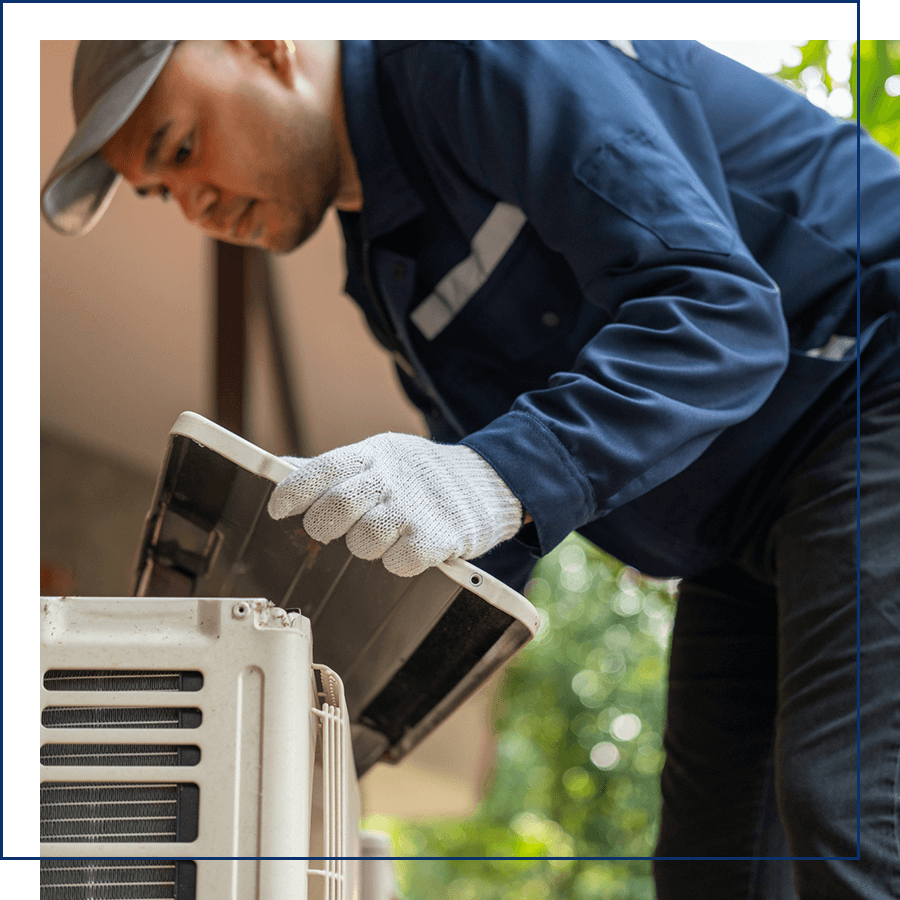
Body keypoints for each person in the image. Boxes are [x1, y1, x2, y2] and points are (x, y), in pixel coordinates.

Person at [42, 40, 898, 899]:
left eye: (182, 147)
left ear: (262, 45)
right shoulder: (385, 273)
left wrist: (490, 474)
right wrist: (308, 711)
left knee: (849, 818)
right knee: (711, 873)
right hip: (742, 536)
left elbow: (722, 313)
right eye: (162, 193)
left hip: (870, 384)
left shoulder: (475, 52)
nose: (193, 205)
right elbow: (481, 529)